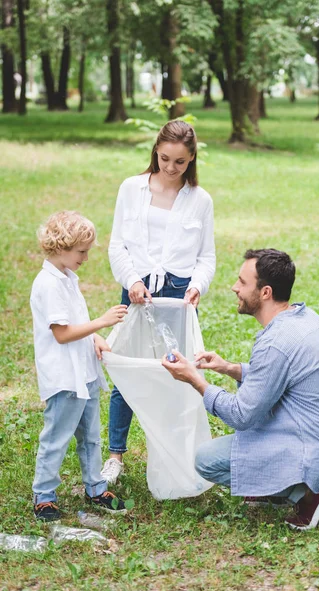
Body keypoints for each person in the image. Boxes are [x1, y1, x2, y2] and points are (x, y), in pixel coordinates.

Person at [162, 248, 319, 531]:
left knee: (206, 460)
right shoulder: (302, 317)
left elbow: (242, 415)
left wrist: (196, 381)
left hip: (316, 447)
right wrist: (230, 368)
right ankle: (277, 484)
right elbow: (280, 377)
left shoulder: (276, 341)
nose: (234, 287)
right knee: (246, 439)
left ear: (265, 292)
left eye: (242, 282)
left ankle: (304, 493)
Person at [101, 120, 216, 483]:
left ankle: (172, 453)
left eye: (179, 162)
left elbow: (206, 256)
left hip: (178, 294)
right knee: (126, 369)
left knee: (177, 373)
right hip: (137, 290)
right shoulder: (131, 188)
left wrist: (197, 286)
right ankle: (115, 455)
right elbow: (117, 244)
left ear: (192, 159)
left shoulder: (200, 200)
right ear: (155, 151)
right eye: (164, 158)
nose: (170, 167)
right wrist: (132, 280)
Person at [30, 211, 129, 522]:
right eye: (81, 252)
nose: (86, 258)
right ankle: (44, 495)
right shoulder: (48, 284)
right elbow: (61, 333)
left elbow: (76, 323)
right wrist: (102, 321)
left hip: (83, 373)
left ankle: (96, 487)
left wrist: (96, 337)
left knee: (90, 436)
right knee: (56, 438)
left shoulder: (68, 279)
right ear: (61, 248)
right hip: (64, 377)